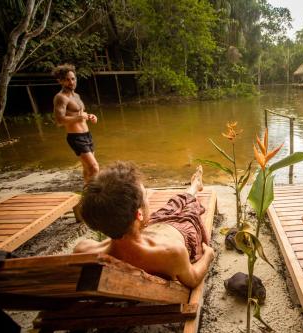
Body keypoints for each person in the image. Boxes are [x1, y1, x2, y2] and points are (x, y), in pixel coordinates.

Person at [74, 162, 215, 288]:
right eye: (145, 196)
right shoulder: (172, 253)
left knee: (172, 205)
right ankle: (194, 188)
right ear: (139, 214)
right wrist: (208, 254)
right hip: (181, 231)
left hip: (150, 226)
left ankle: (194, 187)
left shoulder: (84, 250)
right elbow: (194, 279)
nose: (147, 200)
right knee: (188, 209)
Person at [52, 64, 99, 184]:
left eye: (73, 79)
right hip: (76, 137)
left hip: (87, 135)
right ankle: (94, 196)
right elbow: (59, 120)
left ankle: (86, 192)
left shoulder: (76, 96)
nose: (71, 82)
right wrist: (78, 118)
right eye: (67, 80)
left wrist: (90, 116)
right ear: (60, 81)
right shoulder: (60, 98)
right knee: (94, 167)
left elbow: (80, 114)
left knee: (87, 168)